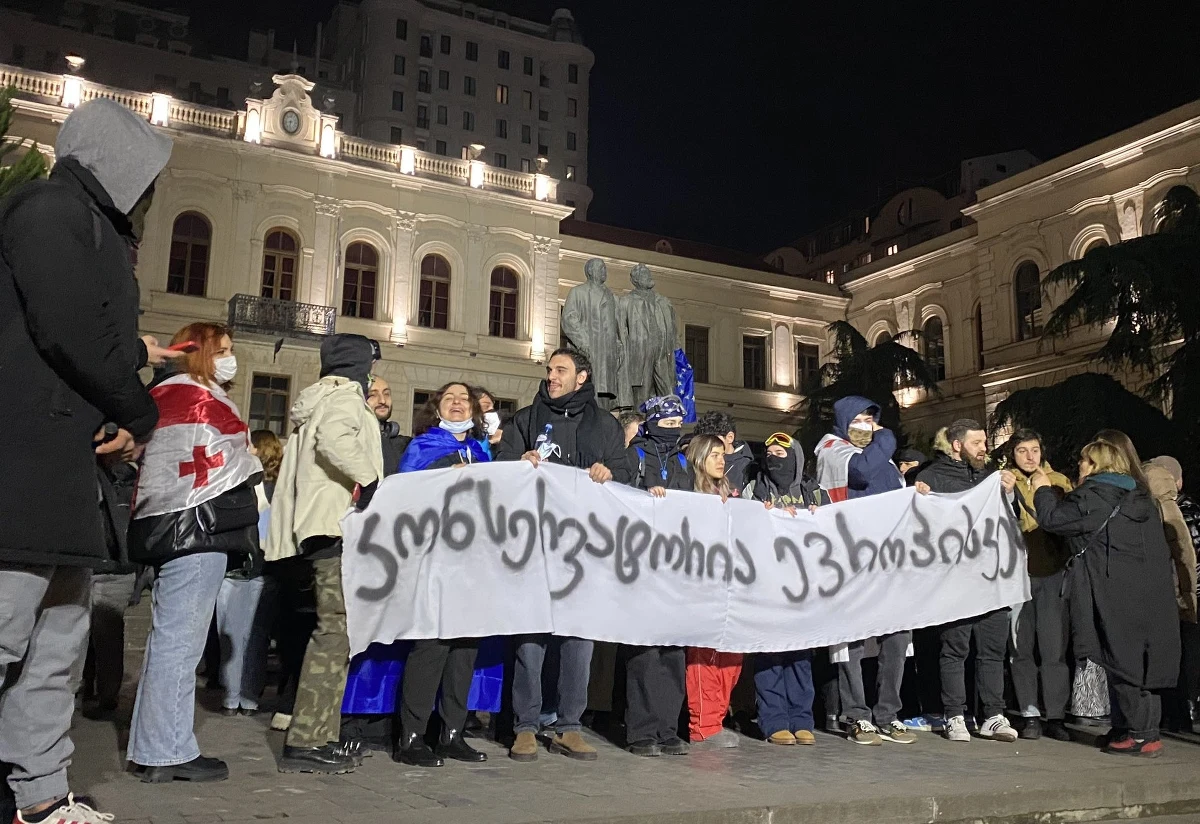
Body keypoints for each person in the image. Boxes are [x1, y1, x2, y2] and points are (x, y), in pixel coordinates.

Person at [0, 97, 173, 824]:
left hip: (70, 478)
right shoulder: (47, 208)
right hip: (20, 471)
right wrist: (139, 408)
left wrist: (128, 372)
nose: (156, 190)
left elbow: (89, 331)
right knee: (4, 633)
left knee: (55, 651)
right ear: (118, 159)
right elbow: (65, 323)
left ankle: (40, 798)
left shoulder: (98, 230)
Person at [126, 323, 263, 782]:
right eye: (221, 350)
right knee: (180, 643)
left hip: (166, 527)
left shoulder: (163, 393)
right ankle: (166, 751)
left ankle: (154, 745)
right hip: (197, 529)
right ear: (199, 353)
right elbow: (237, 460)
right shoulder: (200, 397)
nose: (229, 358)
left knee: (168, 642)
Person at [494, 347, 635, 762]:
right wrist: (520, 462)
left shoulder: (604, 425)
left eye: (561, 370)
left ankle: (569, 725)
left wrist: (609, 473)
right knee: (531, 636)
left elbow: (625, 476)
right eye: (549, 370)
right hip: (535, 546)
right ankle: (525, 725)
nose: (552, 376)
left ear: (581, 377)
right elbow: (503, 470)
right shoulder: (526, 418)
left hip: (583, 551)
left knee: (578, 638)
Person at [266, 334, 384, 774]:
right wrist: (370, 479)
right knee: (334, 631)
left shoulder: (318, 397)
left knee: (333, 629)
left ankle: (320, 733)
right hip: (334, 526)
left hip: (317, 526)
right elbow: (333, 440)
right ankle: (308, 739)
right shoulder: (345, 396)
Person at [1034, 439, 1181, 757]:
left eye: (1084, 461)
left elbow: (1054, 520)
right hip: (1149, 590)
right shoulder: (1141, 495)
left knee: (1122, 659)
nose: (1080, 467)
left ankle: (1140, 735)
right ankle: (1138, 729)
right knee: (1145, 662)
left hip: (1112, 589)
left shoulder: (1094, 494)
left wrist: (1043, 489)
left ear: (1095, 464)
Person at [381, 383, 493, 767]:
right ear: (436, 408)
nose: (459, 403)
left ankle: (452, 733)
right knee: (432, 646)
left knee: (465, 648)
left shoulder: (484, 452)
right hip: (433, 557)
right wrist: (447, 470)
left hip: (474, 560)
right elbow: (404, 494)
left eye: (464, 399)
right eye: (450, 398)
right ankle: (411, 737)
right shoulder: (421, 446)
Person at [814, 397, 914, 745]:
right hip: (850, 558)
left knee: (896, 636)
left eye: (871, 421)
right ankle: (855, 713)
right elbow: (859, 472)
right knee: (853, 638)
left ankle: (888, 712)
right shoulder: (831, 449)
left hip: (889, 560)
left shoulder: (880, 456)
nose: (866, 427)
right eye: (858, 420)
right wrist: (886, 439)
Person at [915, 419, 1018, 744]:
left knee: (991, 650)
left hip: (991, 579)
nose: (984, 448)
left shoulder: (990, 478)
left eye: (985, 442)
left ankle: (993, 715)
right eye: (977, 443)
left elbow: (1007, 520)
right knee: (955, 649)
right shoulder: (932, 477)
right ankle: (955, 716)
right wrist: (918, 495)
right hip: (955, 581)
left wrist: (1010, 493)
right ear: (957, 445)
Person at [747, 432, 827, 746]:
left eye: (781, 453)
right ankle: (773, 720)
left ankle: (802, 719)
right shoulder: (754, 487)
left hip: (802, 587)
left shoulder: (814, 491)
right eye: (769, 453)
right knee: (769, 655)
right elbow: (741, 526)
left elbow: (833, 528)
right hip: (766, 585)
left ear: (794, 457)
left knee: (799, 656)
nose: (773, 458)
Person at [624, 396, 690, 757]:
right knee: (645, 651)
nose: (672, 430)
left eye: (677, 424)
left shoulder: (681, 459)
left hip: (676, 566)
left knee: (673, 652)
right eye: (665, 424)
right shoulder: (635, 456)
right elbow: (615, 497)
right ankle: (641, 731)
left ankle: (668, 728)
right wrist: (642, 497)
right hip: (641, 564)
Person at [682, 434, 751, 748]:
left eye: (723, 455)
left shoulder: (729, 494)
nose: (722, 460)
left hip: (730, 587)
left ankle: (717, 719)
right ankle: (702, 726)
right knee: (704, 658)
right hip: (701, 587)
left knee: (731, 659)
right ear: (698, 459)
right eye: (713, 455)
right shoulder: (688, 496)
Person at [1006, 429, 1074, 741]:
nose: (1030, 456)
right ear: (1012, 454)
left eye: (1034, 449)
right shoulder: (1003, 482)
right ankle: (1030, 713)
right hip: (1017, 576)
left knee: (1054, 650)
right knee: (1021, 648)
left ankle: (1056, 714)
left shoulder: (1059, 481)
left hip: (1053, 572)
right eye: (1022, 450)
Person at [213, 429, 282, 717]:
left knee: (237, 634)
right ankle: (245, 696)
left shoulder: (247, 487)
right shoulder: (275, 488)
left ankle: (236, 696)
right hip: (259, 567)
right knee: (250, 636)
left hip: (244, 567)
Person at [1143, 456, 1198, 733]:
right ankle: (1180, 715)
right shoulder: (1175, 508)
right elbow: (1187, 555)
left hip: (1156, 595)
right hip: (1175, 594)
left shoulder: (1140, 505)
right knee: (1180, 657)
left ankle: (1169, 715)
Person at [693, 411, 754, 492]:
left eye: (715, 440)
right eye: (704, 442)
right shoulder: (697, 462)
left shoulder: (748, 469)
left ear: (730, 437)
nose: (709, 445)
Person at [368, 376, 409, 476]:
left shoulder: (405, 445)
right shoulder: (352, 442)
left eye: (386, 394)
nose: (382, 400)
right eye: (373, 395)